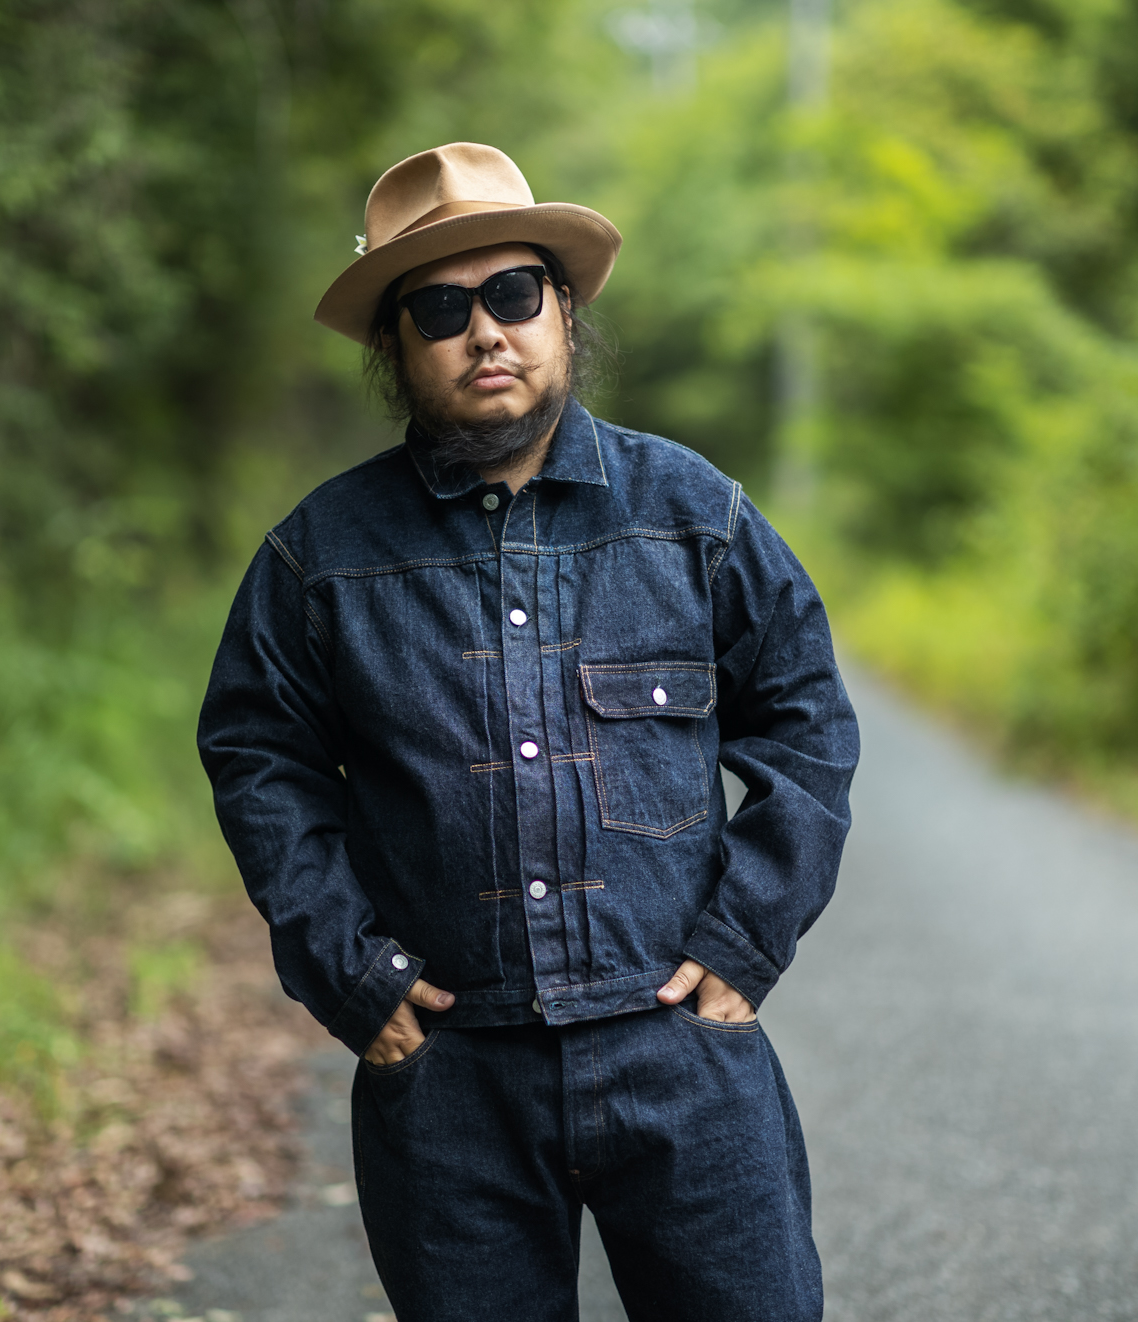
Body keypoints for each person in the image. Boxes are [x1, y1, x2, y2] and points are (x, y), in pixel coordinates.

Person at [197, 142, 858, 1321]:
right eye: (439, 309)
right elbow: (260, 758)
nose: (484, 332)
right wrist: (348, 969)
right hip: (449, 1081)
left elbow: (803, 718)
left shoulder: (694, 516)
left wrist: (749, 932)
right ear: (397, 347)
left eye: (511, 293)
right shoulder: (320, 556)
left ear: (561, 310)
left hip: (679, 1047)